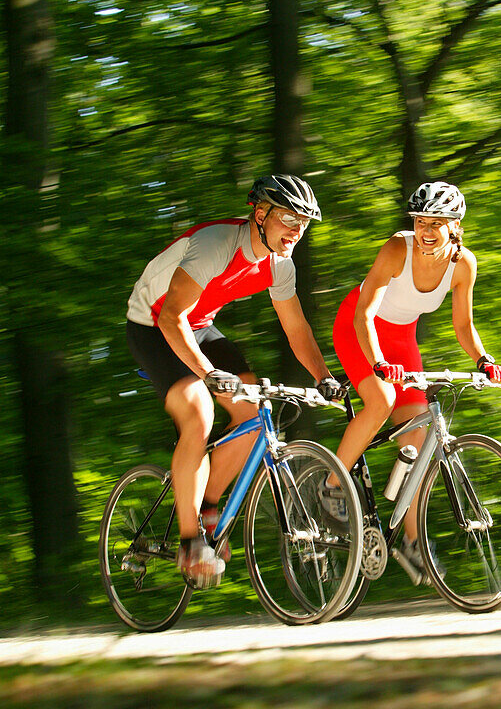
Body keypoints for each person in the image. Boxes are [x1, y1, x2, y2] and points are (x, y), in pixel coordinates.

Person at [126, 174, 343, 587]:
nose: (296, 231)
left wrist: (324, 377)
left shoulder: (280, 264)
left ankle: (208, 506)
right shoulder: (216, 246)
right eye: (287, 219)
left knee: (254, 414)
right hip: (154, 325)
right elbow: (171, 318)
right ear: (260, 215)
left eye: (303, 224)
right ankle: (191, 543)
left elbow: (297, 330)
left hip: (200, 325)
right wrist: (207, 374)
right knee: (199, 411)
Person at [325, 180, 501, 577]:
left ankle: (411, 542)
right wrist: (377, 363)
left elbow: (464, 326)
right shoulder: (397, 250)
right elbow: (364, 313)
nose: (425, 231)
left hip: (402, 337)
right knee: (382, 401)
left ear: (454, 227)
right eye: (420, 221)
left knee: (419, 440)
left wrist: (484, 359)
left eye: (436, 223)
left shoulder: (464, 265)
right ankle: (332, 486)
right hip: (359, 328)